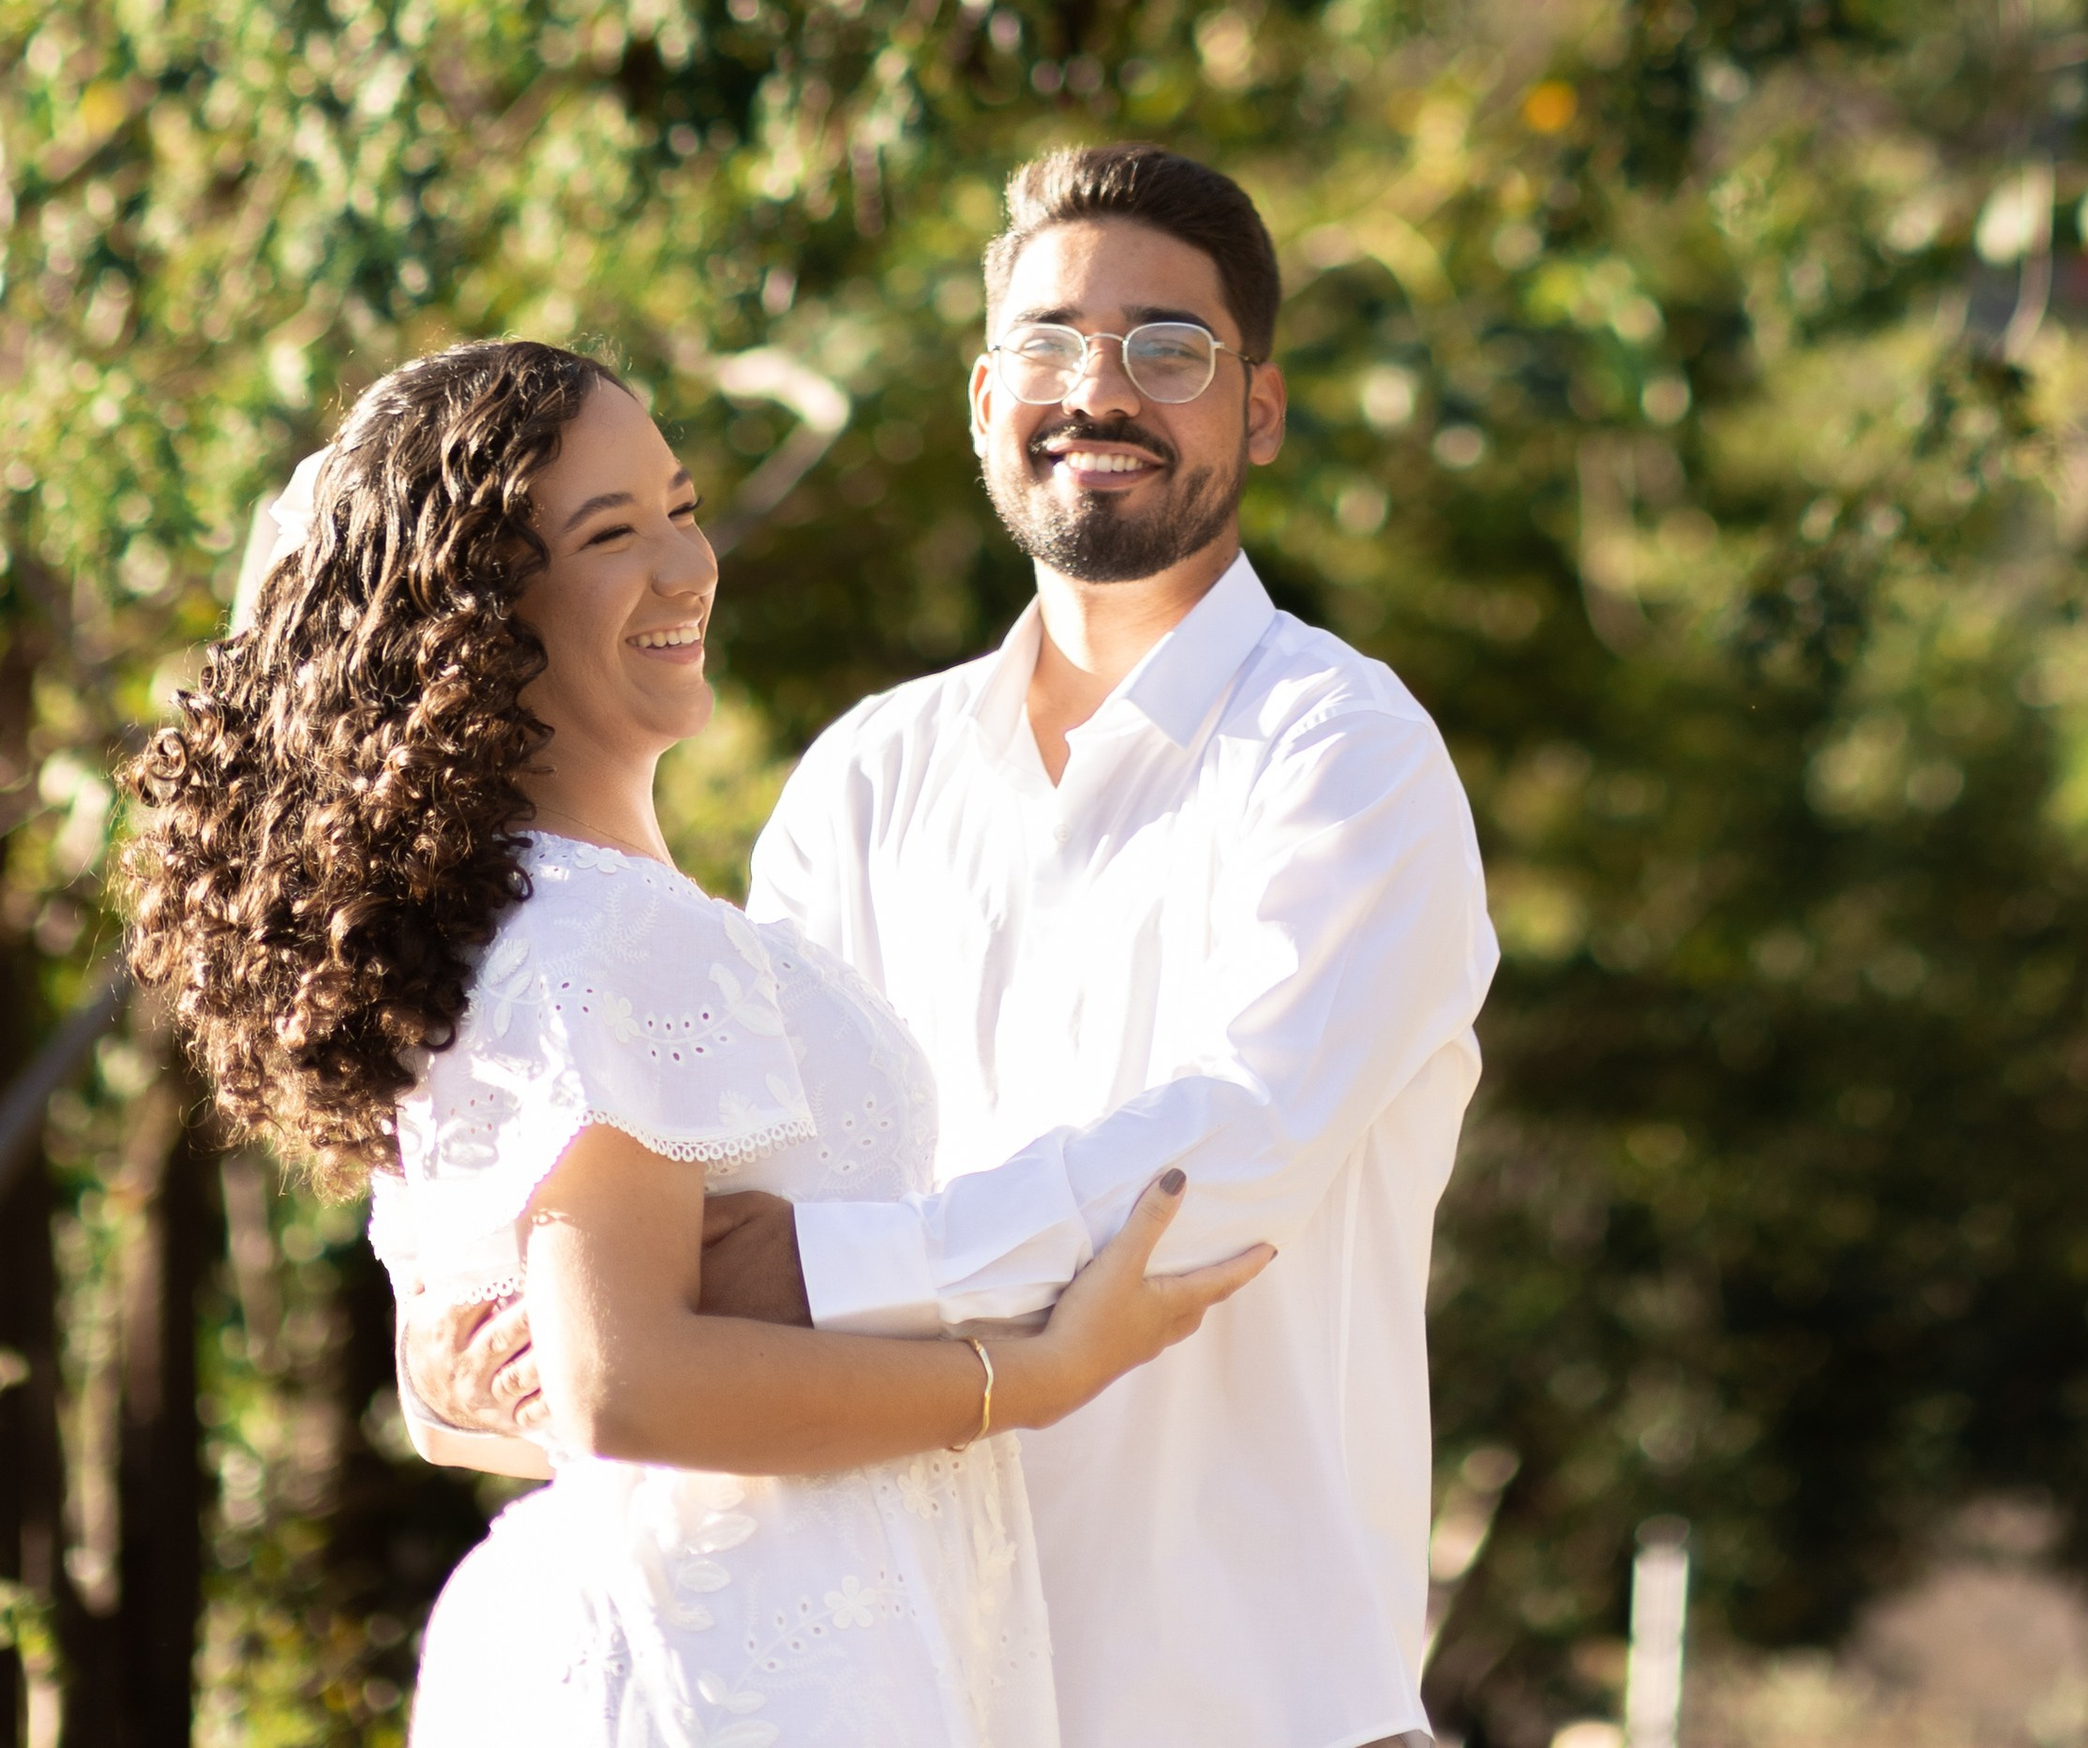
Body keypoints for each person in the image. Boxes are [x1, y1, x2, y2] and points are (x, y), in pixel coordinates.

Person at [426, 144, 1499, 1748]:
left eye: (1170, 351)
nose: (1101, 392)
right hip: (904, 1698)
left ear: (1257, 412)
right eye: (1055, 344)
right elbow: (732, 1202)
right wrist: (533, 1361)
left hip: (1251, 1707)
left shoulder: (1345, 754)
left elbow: (1223, 1165)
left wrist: (817, 1275)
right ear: (986, 395)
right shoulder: (867, 776)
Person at [124, 335, 1267, 1748]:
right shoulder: (601, 938)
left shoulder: (539, 923)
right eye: (612, 533)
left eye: (679, 504)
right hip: (732, 1672)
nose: (685, 565)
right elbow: (627, 1386)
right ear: (484, 614)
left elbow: (488, 1391)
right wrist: (1032, 1376)